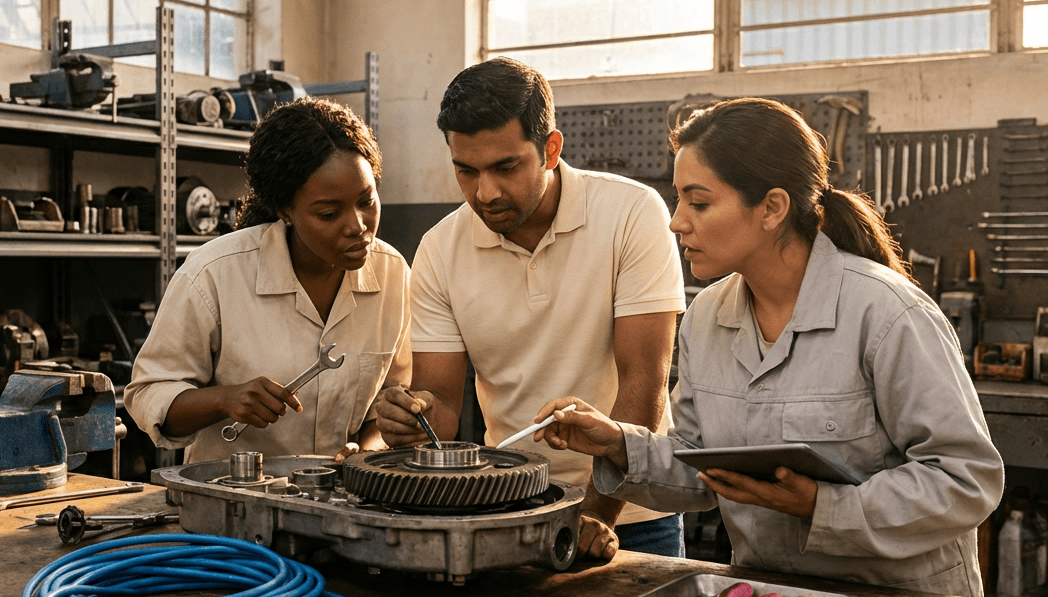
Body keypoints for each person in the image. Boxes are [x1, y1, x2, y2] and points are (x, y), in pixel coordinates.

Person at [533, 97, 1003, 596]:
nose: (676, 221)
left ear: (772, 208)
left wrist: (823, 506)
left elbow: (965, 480)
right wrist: (618, 445)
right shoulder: (707, 318)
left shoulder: (888, 314)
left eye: (699, 203)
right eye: (678, 200)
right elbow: (703, 466)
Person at [371, 57, 687, 559]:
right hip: (513, 507)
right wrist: (412, 419)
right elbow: (443, 409)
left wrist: (592, 518)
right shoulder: (438, 250)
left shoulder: (631, 213)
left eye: (505, 168)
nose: (485, 192)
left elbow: (643, 387)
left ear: (551, 149)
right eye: (466, 171)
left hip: (633, 512)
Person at [126, 98, 410, 465]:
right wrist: (224, 400)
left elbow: (387, 407)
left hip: (343, 492)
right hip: (230, 494)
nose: (358, 226)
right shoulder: (213, 274)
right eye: (329, 213)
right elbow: (148, 396)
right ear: (284, 210)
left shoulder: (393, 274)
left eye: (366, 201)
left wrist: (368, 452)